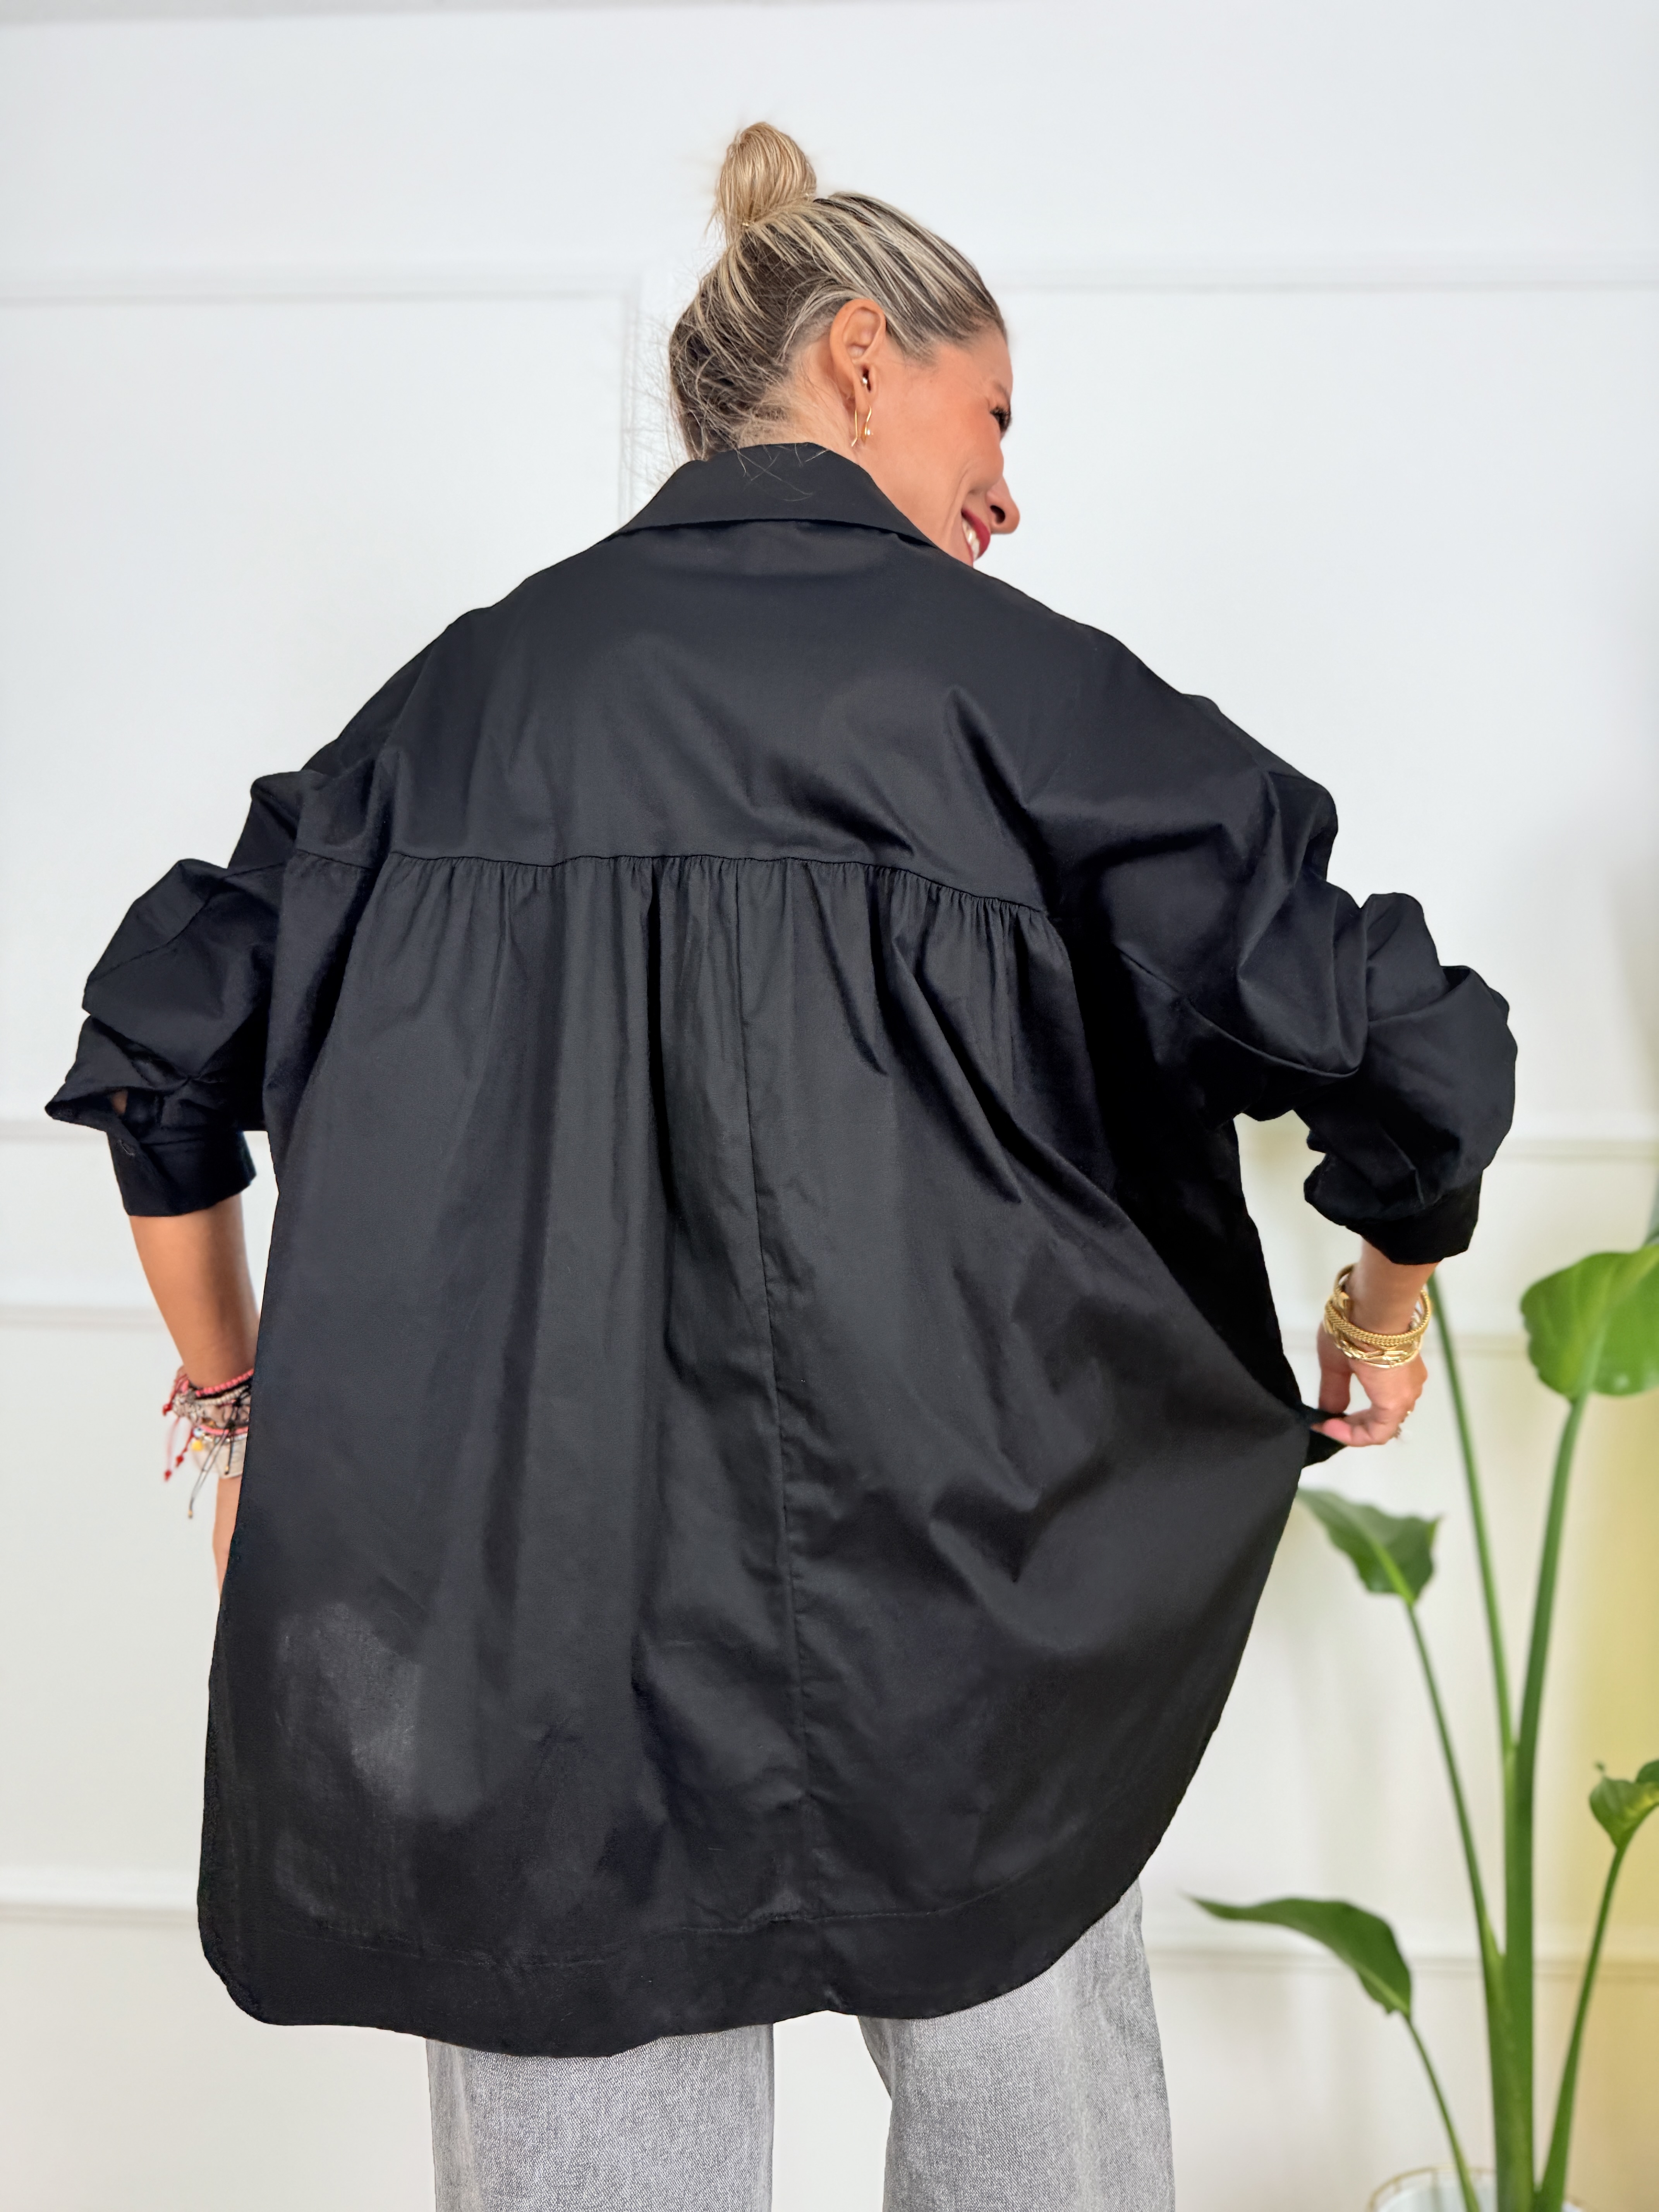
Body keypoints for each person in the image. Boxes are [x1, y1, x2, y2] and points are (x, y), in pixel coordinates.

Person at [47, 123, 1515, 2212]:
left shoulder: (458, 706)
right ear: (859, 357)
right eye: (994, 415)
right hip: (983, 1608)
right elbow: (1400, 1041)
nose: (1010, 488)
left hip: (538, 1645)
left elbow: (163, 1044)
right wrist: (1381, 1304)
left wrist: (234, 1404)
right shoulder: (1035, 702)